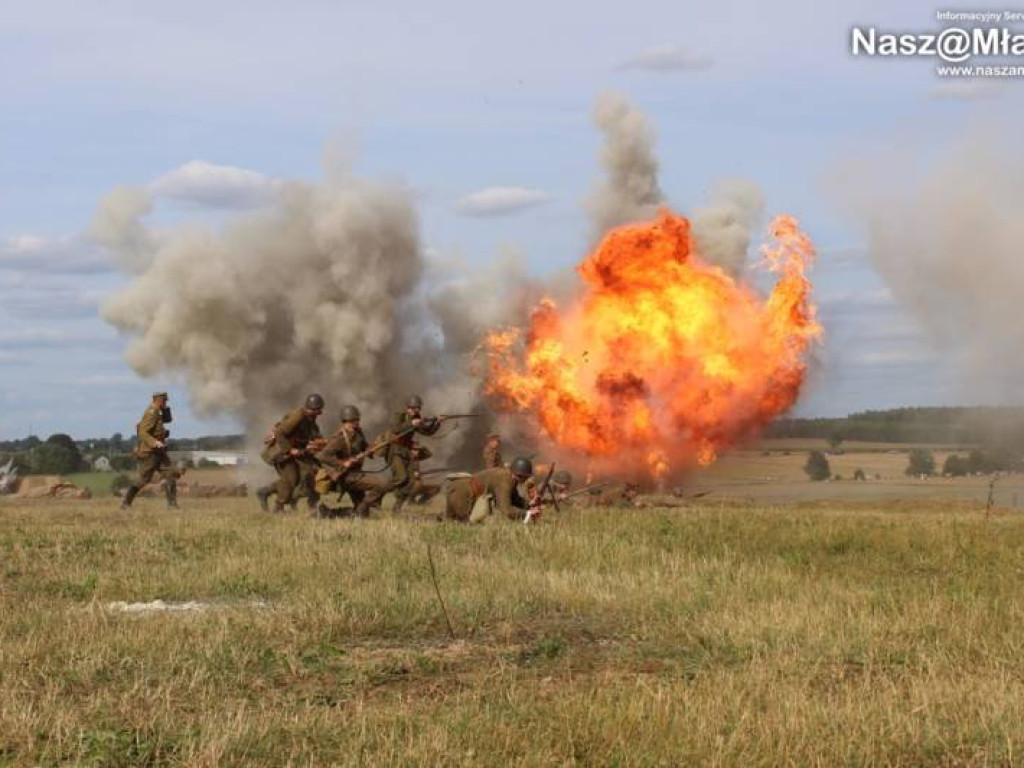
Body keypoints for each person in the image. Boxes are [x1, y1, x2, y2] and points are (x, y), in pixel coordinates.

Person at [256, 394, 325, 513]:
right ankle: (278, 507)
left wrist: (319, 442)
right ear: (313, 409)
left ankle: (266, 492)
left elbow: (314, 434)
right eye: (318, 410)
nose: (320, 413)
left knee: (310, 474)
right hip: (283, 453)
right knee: (290, 480)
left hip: (298, 453)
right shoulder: (298, 416)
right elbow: (280, 433)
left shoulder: (310, 419)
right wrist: (289, 450)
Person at [313, 405, 385, 518]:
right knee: (380, 485)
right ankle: (361, 509)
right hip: (346, 476)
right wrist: (342, 463)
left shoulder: (358, 433)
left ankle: (328, 513)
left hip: (356, 473)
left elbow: (364, 447)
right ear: (346, 422)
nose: (356, 423)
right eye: (353, 421)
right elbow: (322, 456)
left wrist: (371, 449)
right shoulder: (340, 438)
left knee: (363, 516)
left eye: (357, 420)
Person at [385, 395, 446, 514]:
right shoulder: (400, 416)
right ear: (408, 408)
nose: (415, 410)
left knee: (411, 481)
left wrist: (437, 422)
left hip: (406, 451)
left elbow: (427, 432)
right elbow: (396, 429)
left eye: (417, 408)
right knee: (401, 477)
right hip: (395, 450)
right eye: (412, 408)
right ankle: (378, 492)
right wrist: (412, 423)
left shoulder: (417, 418)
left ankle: (397, 507)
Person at [121, 391, 177, 509]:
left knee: (170, 474)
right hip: (149, 452)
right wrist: (154, 442)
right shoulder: (151, 412)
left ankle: (172, 505)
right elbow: (142, 431)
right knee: (143, 480)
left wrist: (166, 408)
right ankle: (126, 503)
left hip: (159, 452)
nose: (165, 402)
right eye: (164, 400)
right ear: (158, 400)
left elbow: (168, 420)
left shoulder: (159, 411)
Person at [444, 456, 536, 523]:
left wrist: (529, 505)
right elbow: (506, 509)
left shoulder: (509, 477)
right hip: (462, 493)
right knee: (463, 526)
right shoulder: (504, 480)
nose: (526, 480)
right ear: (520, 475)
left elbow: (514, 499)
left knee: (448, 521)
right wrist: (527, 514)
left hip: (459, 489)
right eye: (526, 477)